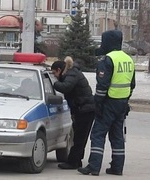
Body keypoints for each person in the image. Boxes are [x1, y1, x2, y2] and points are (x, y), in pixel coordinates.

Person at [78, 30, 136, 176]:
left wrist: (97, 104)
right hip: (122, 104)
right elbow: (132, 84)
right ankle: (117, 168)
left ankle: (94, 167)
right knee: (117, 136)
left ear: (107, 42)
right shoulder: (128, 59)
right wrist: (125, 101)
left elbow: (102, 86)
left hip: (108, 103)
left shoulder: (108, 60)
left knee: (98, 134)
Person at [51, 56, 95, 170]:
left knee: (79, 137)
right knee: (79, 137)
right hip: (83, 108)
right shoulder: (71, 73)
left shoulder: (72, 74)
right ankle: (76, 160)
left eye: (54, 73)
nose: (55, 76)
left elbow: (66, 87)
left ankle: (73, 162)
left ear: (59, 70)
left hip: (85, 109)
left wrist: (54, 83)